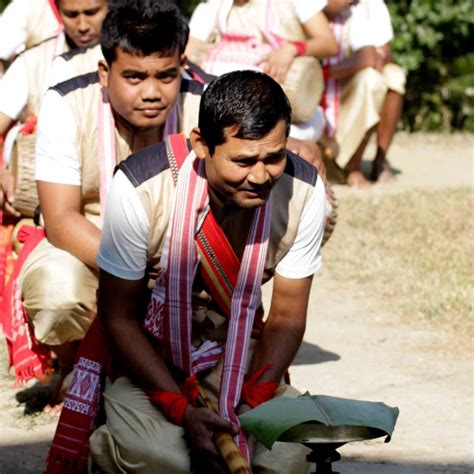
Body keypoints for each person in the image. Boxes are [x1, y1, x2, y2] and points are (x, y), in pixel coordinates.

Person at [80, 69, 327, 473]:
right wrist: (180, 408)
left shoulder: (304, 190)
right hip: (152, 356)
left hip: (240, 352)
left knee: (288, 459)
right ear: (201, 145)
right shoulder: (141, 186)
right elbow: (118, 317)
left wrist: (253, 402)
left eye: (274, 157)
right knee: (162, 461)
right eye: (244, 160)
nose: (262, 176)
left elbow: (286, 317)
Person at [14, 0, 203, 412]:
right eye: (134, 77)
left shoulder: (205, 104)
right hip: (86, 243)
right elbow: (62, 219)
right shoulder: (65, 104)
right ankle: (73, 364)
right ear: (105, 72)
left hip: (179, 250)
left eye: (166, 76)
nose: (152, 92)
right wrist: (135, 271)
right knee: (56, 291)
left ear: (182, 64)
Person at [0, 0, 108, 216]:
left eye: (91, 12)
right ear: (57, 11)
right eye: (71, 14)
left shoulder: (136, 59)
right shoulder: (32, 63)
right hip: (42, 212)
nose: (82, 24)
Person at [186, 0, 338, 144]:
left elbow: (329, 44)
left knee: (284, 138)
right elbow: (188, 52)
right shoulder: (214, 5)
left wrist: (292, 49)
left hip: (286, 106)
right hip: (223, 107)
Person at [322, 0, 406, 186]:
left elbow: (379, 55)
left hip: (351, 79)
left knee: (384, 78)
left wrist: (333, 72)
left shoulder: (370, 5)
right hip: (320, 75)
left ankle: (369, 162)